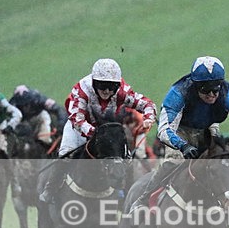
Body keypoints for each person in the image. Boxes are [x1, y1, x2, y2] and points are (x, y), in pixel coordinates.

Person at [130, 55, 229, 211]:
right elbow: (164, 130)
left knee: (220, 160)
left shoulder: (226, 94)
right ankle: (143, 200)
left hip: (208, 127)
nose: (211, 94)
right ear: (196, 86)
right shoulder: (178, 94)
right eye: (205, 90)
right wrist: (183, 146)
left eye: (215, 89)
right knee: (173, 162)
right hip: (179, 130)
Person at [39, 58, 157, 202]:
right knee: (65, 153)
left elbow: (147, 104)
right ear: (94, 82)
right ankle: (50, 189)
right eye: (102, 85)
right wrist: (92, 132)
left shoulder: (123, 92)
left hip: (107, 130)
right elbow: (77, 118)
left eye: (111, 86)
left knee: (126, 159)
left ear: (117, 85)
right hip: (79, 126)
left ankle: (127, 195)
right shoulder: (82, 90)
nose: (107, 90)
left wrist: (149, 118)